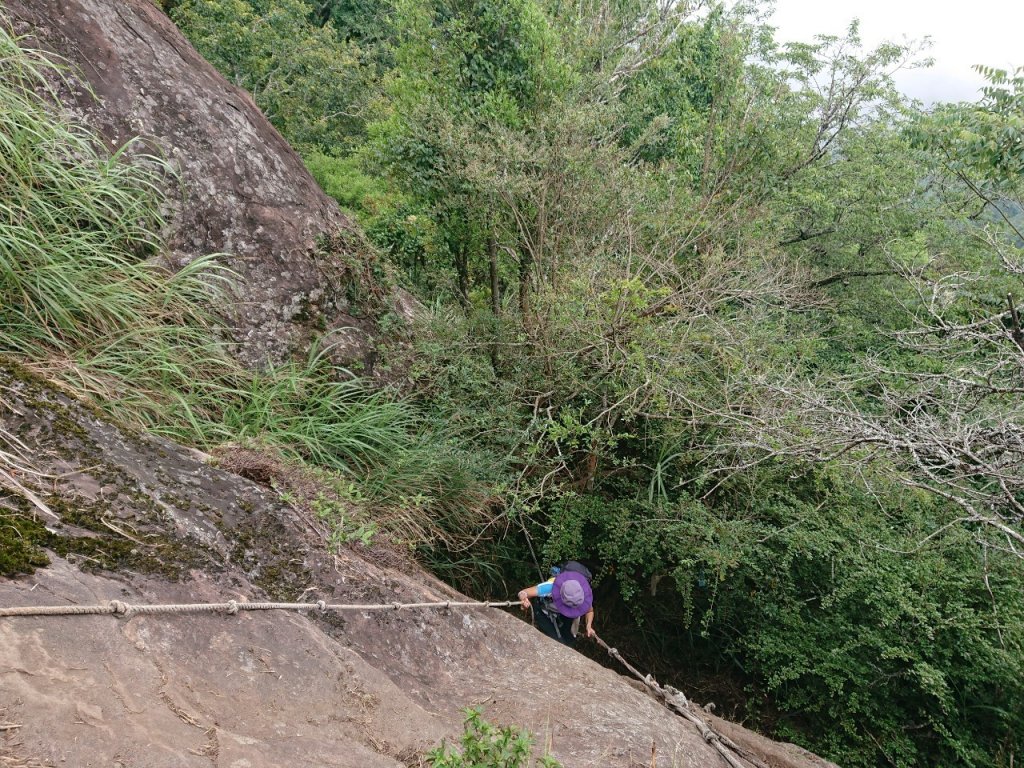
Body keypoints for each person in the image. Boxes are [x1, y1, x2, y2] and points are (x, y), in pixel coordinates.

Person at [517, 561, 595, 646]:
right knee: (559, 643)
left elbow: (589, 611)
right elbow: (523, 592)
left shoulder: (582, 593)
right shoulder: (551, 586)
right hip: (544, 610)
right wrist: (524, 600)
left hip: (564, 615)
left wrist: (589, 626)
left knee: (570, 642)